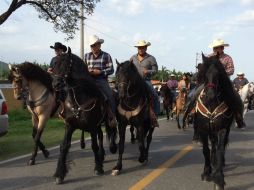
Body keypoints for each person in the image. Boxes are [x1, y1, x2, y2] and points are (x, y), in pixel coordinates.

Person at [183, 38, 245, 129]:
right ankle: (188, 113)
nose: (215, 49)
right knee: (194, 93)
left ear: (222, 48)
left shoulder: (227, 58)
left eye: (217, 48)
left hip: (224, 82)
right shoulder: (209, 57)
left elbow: (231, 70)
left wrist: (221, 73)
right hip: (210, 81)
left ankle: (238, 117)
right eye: (214, 48)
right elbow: (204, 68)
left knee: (235, 96)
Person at [84, 35, 117, 128]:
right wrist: (88, 71)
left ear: (99, 45)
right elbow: (83, 68)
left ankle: (112, 117)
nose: (93, 47)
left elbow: (111, 69)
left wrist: (101, 72)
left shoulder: (106, 55)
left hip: (101, 79)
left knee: (110, 96)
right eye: (92, 45)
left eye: (95, 45)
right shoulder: (86, 56)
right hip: (89, 80)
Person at [130, 39, 159, 128]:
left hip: (145, 81)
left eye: (142, 47)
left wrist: (148, 71)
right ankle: (122, 117)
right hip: (134, 82)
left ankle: (155, 116)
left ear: (146, 48)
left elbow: (155, 71)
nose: (141, 49)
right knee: (122, 94)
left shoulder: (151, 58)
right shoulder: (132, 58)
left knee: (155, 96)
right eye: (139, 48)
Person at [48, 42, 67, 116]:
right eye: (55, 50)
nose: (56, 51)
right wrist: (49, 70)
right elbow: (50, 68)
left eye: (58, 49)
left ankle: (64, 109)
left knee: (63, 90)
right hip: (54, 79)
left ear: (61, 50)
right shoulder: (53, 59)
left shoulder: (65, 58)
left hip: (63, 80)